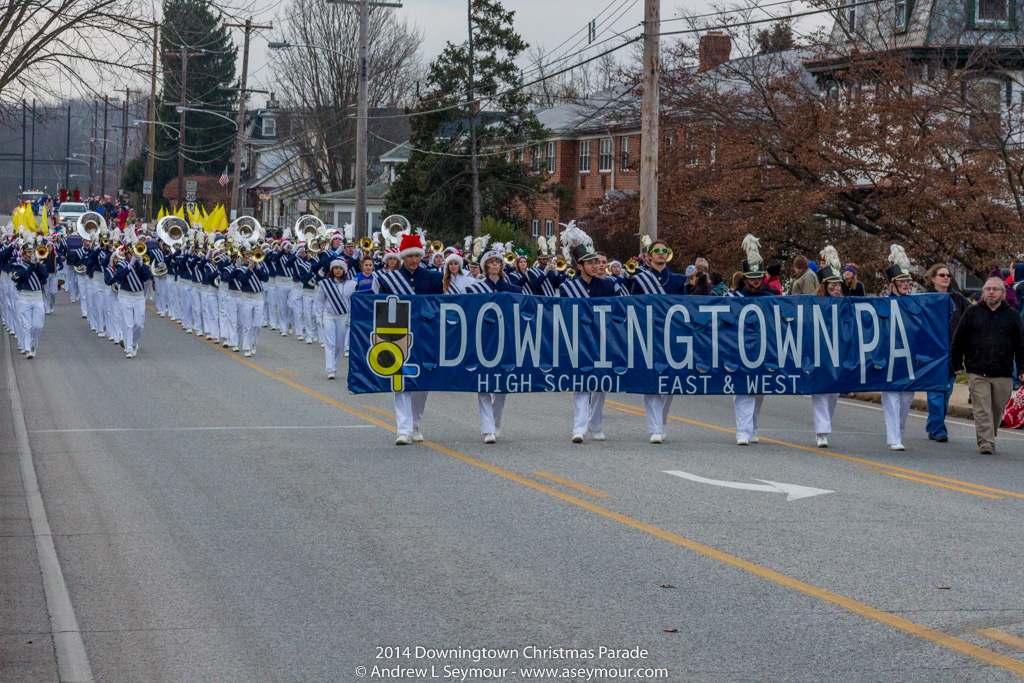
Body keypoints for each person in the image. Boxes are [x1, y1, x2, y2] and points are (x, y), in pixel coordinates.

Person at [378, 234, 443, 445]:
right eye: (409, 256)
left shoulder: (433, 278)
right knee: (401, 381)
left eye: (417, 255)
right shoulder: (389, 279)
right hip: (399, 336)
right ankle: (403, 429)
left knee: (422, 383)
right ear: (402, 257)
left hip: (425, 336)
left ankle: (416, 423)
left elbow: (439, 307)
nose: (414, 260)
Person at [558, 224, 618, 443]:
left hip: (602, 342)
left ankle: (596, 424)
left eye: (596, 262)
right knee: (581, 385)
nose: (595, 266)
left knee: (601, 387)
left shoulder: (608, 287)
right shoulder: (568, 288)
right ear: (580, 266)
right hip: (579, 341)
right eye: (590, 263)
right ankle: (579, 429)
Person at [950, 276, 1024, 454]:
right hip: (977, 370)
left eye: (995, 289)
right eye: (988, 289)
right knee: (982, 408)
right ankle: (986, 442)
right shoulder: (972, 312)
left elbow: (1021, 345)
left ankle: (989, 435)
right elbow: (958, 339)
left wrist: (1022, 369)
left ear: (1003, 293)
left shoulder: (1013, 316)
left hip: (1003, 372)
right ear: (983, 292)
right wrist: (956, 362)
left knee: (997, 410)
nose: (991, 292)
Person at [629, 239, 686, 443]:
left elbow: (685, 310)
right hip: (648, 335)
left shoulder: (679, 280)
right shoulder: (639, 280)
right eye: (657, 251)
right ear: (649, 256)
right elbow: (634, 308)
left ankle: (661, 422)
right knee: (651, 381)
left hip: (671, 336)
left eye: (664, 250)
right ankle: (655, 428)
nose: (661, 253)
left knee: (669, 384)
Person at [467, 251, 527, 443]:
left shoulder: (513, 290)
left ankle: (495, 422)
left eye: (497, 262)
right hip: (482, 341)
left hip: (505, 341)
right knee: (483, 385)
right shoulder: (474, 289)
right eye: (491, 262)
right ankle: (487, 429)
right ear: (485, 266)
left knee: (501, 387)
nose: (494, 265)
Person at [730, 234, 775, 445]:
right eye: (752, 279)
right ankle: (742, 431)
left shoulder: (770, 298)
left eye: (759, 278)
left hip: (763, 349)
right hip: (740, 348)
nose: (756, 282)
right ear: (745, 279)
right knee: (743, 390)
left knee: (758, 392)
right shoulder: (733, 298)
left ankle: (753, 427)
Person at [923, 263, 968, 443]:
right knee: (935, 391)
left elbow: (967, 322)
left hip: (952, 352)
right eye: (941, 275)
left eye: (948, 275)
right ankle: (940, 430)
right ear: (933, 278)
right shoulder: (925, 299)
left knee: (945, 394)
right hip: (931, 353)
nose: (946, 278)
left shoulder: (958, 299)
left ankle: (932, 425)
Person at [881, 245, 915, 451]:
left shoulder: (914, 303)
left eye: (907, 281)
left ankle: (898, 433)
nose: (905, 284)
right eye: (901, 281)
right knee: (891, 397)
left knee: (907, 398)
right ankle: (893, 437)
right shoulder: (884, 304)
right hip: (889, 357)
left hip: (909, 358)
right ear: (892, 284)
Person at [810, 246, 844, 448]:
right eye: (834, 284)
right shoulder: (814, 303)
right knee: (820, 392)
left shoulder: (846, 304)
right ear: (825, 285)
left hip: (838, 354)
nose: (838, 288)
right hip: (819, 354)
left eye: (839, 284)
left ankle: (825, 425)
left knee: (833, 394)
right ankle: (821, 432)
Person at [314, 260, 356, 379]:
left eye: (340, 268)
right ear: (332, 270)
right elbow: (320, 301)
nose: (338, 270)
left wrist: (350, 317)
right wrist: (319, 317)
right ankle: (330, 369)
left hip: (343, 317)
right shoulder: (325, 284)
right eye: (335, 268)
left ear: (344, 270)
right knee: (330, 343)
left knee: (340, 345)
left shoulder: (351, 284)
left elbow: (351, 302)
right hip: (328, 316)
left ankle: (335, 366)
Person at [115, 243, 153, 358]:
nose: (133, 255)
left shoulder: (141, 264)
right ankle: (129, 349)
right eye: (131, 253)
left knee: (139, 324)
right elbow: (120, 277)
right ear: (126, 254)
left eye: (134, 253)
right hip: (125, 296)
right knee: (128, 324)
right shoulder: (121, 264)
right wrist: (130, 264)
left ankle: (134, 342)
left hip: (139, 296)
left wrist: (141, 263)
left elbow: (148, 276)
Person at [11, 243, 48, 358]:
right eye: (28, 252)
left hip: (37, 297)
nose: (31, 254)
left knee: (38, 326)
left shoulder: (38, 264)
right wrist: (32, 265)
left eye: (32, 251)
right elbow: (25, 276)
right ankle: (27, 349)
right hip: (25, 297)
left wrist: (38, 264)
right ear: (23, 254)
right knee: (26, 325)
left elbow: (45, 275)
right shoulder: (18, 265)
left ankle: (33, 345)